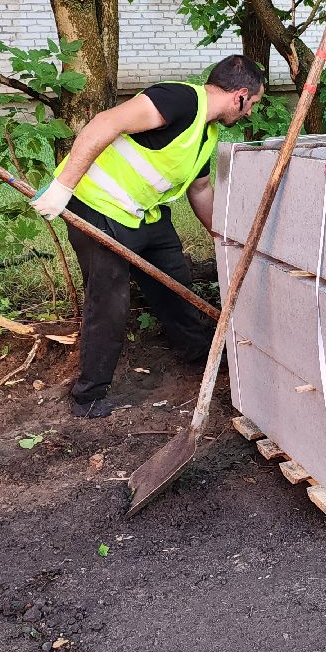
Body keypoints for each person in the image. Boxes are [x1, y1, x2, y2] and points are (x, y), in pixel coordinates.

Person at [30, 55, 266, 416]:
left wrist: (222, 237)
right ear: (241, 95)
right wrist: (63, 187)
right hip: (98, 205)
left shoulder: (207, 132)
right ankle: (89, 395)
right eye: (253, 104)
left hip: (143, 214)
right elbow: (105, 123)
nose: (250, 113)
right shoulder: (179, 99)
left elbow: (200, 189)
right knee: (109, 300)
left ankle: (197, 353)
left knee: (176, 281)